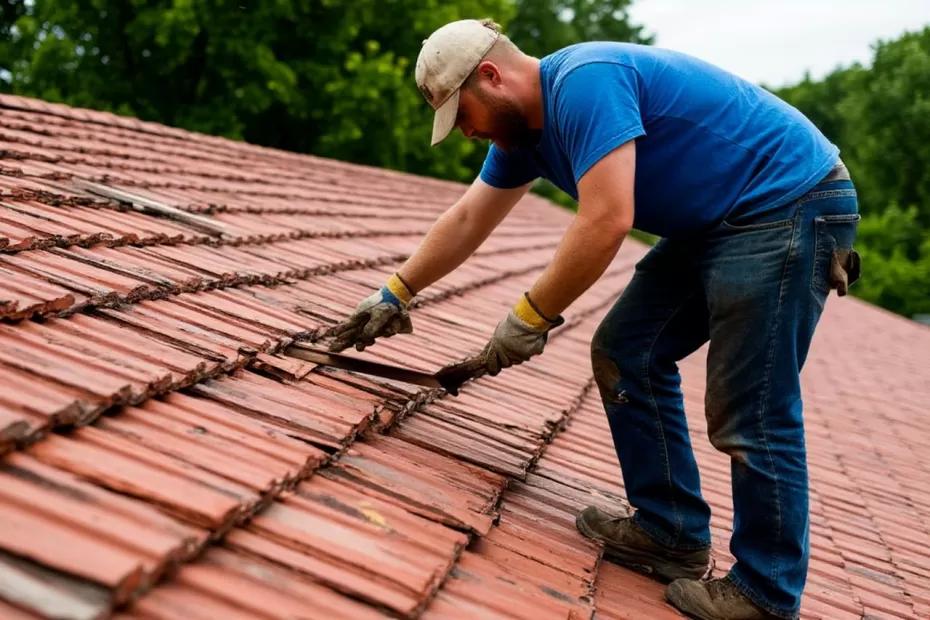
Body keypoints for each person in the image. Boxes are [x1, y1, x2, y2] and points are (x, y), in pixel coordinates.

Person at [329, 18, 860, 620]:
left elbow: (607, 218)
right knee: (625, 350)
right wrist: (394, 294)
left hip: (789, 203)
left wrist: (529, 316)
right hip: (716, 223)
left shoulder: (585, 83)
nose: (467, 131)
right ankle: (672, 531)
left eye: (464, 113)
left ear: (490, 75)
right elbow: (470, 217)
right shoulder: (520, 138)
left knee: (751, 400)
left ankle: (766, 591)